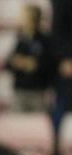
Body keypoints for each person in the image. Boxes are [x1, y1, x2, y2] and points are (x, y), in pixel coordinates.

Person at [5, 4, 54, 113]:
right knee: (18, 125)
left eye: (25, 17)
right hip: (20, 91)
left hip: (38, 92)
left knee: (38, 126)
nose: (22, 20)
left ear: (33, 19)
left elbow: (46, 65)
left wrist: (29, 64)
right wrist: (22, 63)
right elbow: (8, 63)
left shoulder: (45, 40)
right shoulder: (20, 39)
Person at [51, 0, 72, 130]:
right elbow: (58, 31)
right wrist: (65, 58)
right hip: (68, 63)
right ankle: (56, 143)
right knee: (63, 106)